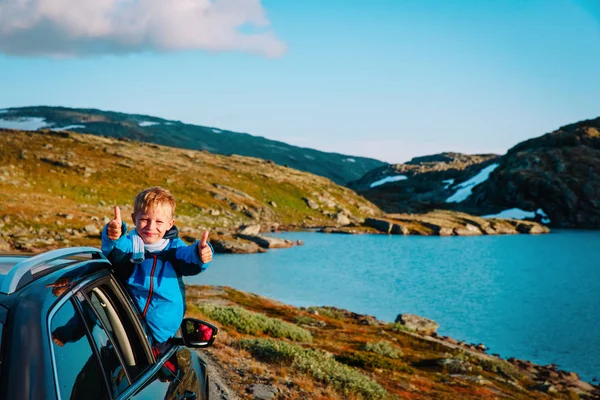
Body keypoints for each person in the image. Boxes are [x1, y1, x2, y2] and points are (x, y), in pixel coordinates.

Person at [101, 187, 213, 351]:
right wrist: (114, 236)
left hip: (164, 336)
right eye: (145, 219)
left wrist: (200, 253)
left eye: (159, 222)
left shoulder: (174, 249)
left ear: (170, 224)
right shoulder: (130, 245)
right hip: (128, 330)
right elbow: (115, 251)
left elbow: (189, 257)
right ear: (134, 219)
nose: (151, 226)